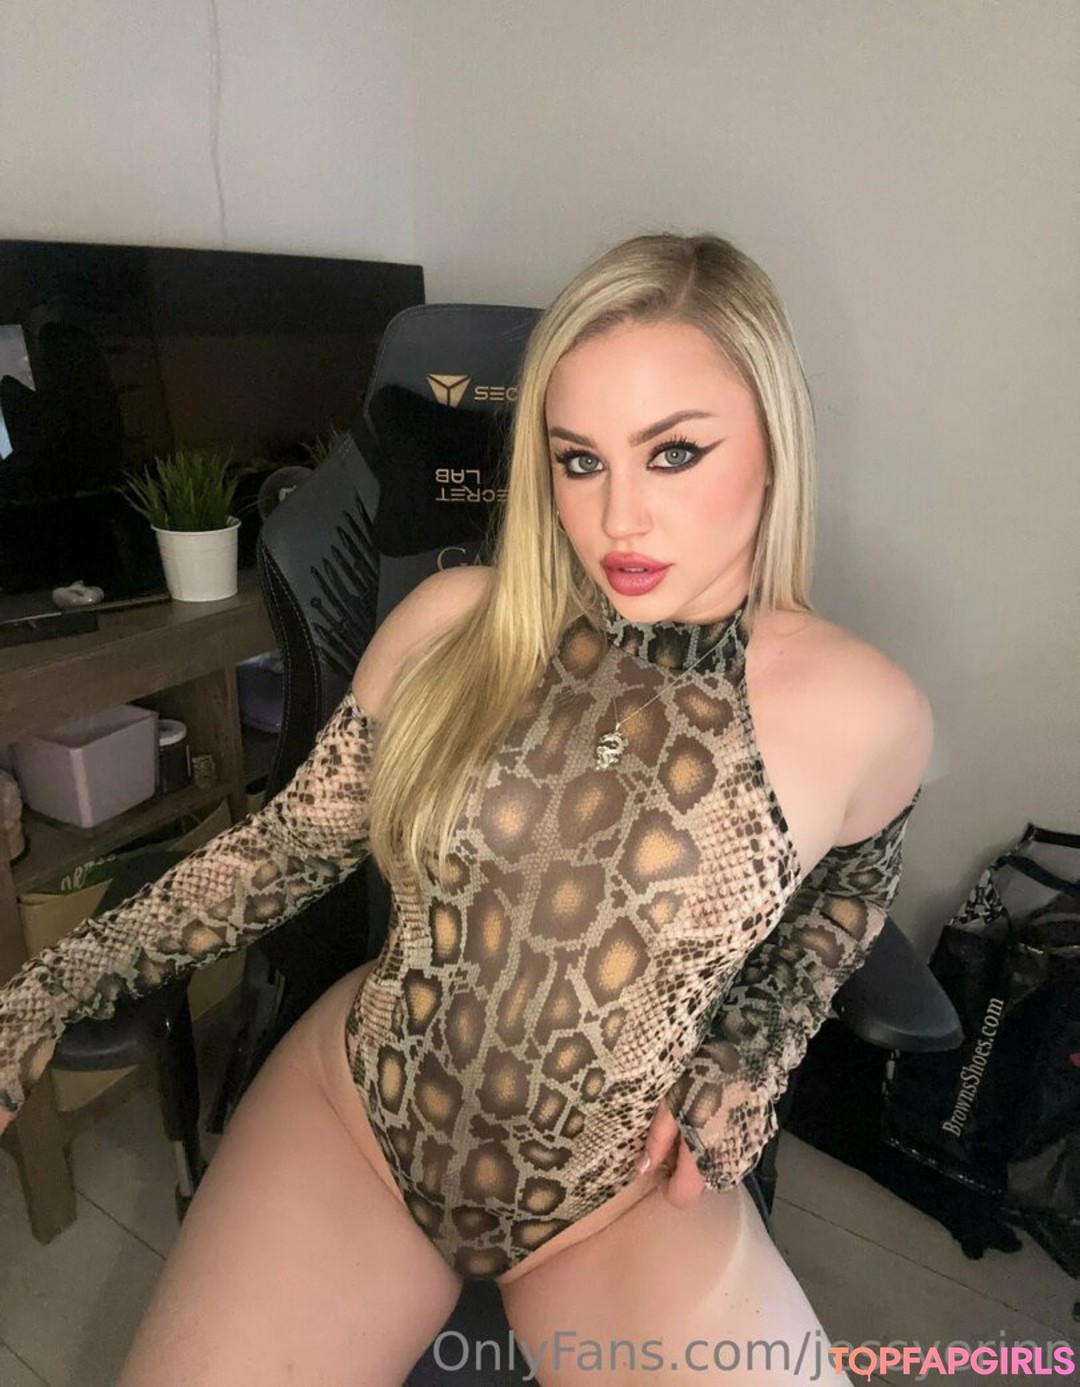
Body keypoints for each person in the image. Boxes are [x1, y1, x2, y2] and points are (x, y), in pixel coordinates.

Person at [0, 233, 932, 1385]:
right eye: (578, 460)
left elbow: (845, 895)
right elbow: (284, 853)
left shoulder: (863, 709)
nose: (620, 517)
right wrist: (44, 990)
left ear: (776, 446)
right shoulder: (453, 622)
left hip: (618, 1197)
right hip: (362, 1122)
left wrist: (756, 1048)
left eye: (675, 452)